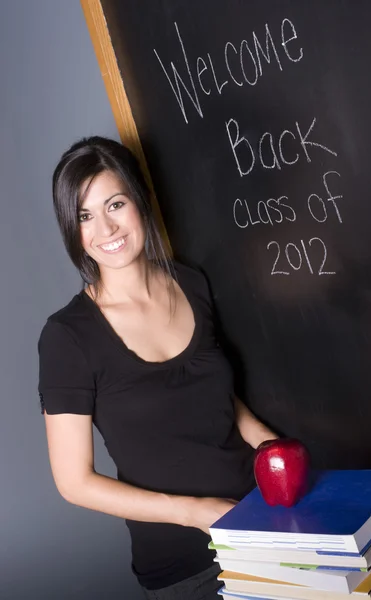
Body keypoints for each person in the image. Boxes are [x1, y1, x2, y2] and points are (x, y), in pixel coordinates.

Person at [37, 136, 278, 599]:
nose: (106, 228)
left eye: (115, 204)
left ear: (139, 202)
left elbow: (211, 394)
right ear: (72, 228)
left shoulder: (190, 282)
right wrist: (194, 511)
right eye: (85, 215)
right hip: (189, 566)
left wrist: (266, 441)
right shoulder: (67, 337)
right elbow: (75, 482)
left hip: (265, 523)